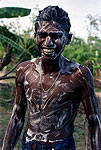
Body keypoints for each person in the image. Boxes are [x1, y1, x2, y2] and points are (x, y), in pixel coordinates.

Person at [2, 5, 101, 150]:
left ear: (68, 38)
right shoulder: (24, 70)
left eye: (56, 36)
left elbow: (94, 121)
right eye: (42, 35)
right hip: (29, 143)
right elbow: (17, 116)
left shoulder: (79, 75)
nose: (48, 42)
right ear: (35, 36)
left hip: (61, 145)